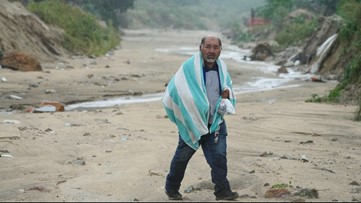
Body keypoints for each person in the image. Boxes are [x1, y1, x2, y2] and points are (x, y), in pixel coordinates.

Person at [162, 35, 238, 201]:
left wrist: (227, 94)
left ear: (220, 50)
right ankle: (171, 188)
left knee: (219, 158)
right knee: (181, 158)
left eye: (215, 47)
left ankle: (222, 191)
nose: (211, 51)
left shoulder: (222, 68)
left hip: (215, 123)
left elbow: (228, 89)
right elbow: (175, 89)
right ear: (200, 47)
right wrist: (191, 107)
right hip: (193, 123)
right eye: (208, 47)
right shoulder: (189, 67)